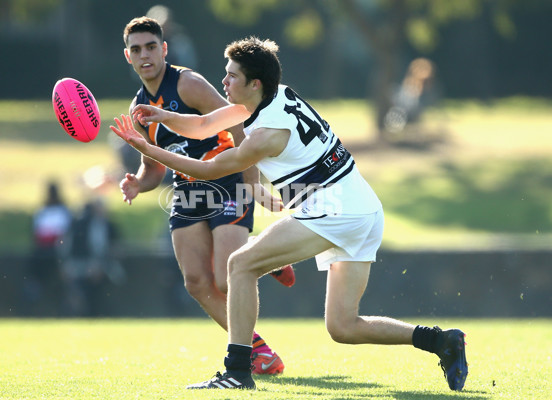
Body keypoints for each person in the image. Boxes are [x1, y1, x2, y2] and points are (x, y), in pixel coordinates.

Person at [110, 36, 469, 392]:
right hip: (361, 206)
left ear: (254, 83)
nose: (224, 82)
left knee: (239, 265)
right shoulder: (272, 95)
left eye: (232, 76)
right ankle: (441, 341)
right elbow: (204, 125)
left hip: (335, 208)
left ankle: (237, 371)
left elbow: (208, 170)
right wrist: (163, 116)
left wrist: (146, 147)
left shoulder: (266, 134)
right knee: (343, 327)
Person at [118, 17, 295, 374]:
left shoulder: (188, 84)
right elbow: (153, 167)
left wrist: (253, 184)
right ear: (128, 56)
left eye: (151, 46)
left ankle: (263, 251)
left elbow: (239, 124)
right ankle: (258, 351)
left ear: (164, 49)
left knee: (225, 278)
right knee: (197, 283)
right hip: (185, 190)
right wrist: (137, 182)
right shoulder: (140, 108)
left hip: (226, 179)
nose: (145, 55)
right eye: (136, 49)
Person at [59, 198, 123, 316]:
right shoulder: (76, 225)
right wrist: (66, 266)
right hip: (79, 266)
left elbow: (112, 250)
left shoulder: (105, 226)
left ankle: (97, 313)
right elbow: (65, 247)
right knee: (76, 286)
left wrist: (100, 265)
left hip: (102, 266)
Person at [23, 181, 72, 315]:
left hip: (57, 252)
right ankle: (34, 288)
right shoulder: (45, 211)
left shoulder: (58, 211)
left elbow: (65, 234)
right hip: (43, 251)